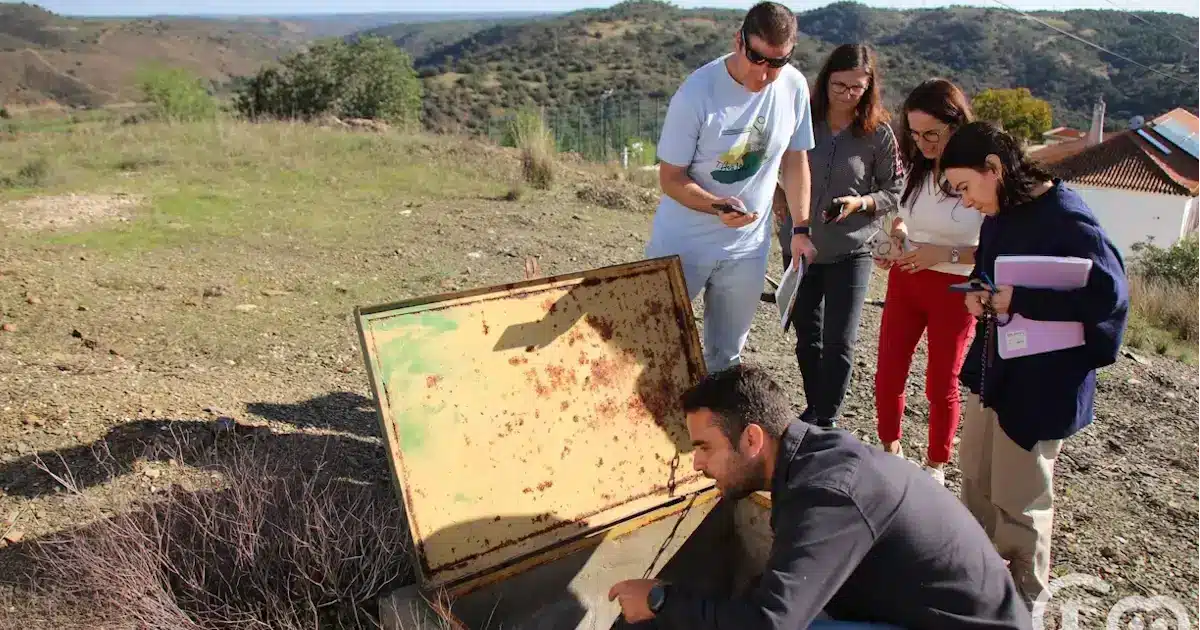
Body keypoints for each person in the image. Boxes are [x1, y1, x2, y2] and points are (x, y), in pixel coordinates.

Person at [607, 364, 1032, 630]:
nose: (697, 464)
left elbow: (771, 624)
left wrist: (661, 600)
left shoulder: (829, 494)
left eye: (705, 447)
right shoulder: (811, 461)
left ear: (752, 439)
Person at [939, 121, 1130, 608]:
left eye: (965, 187)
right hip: (994, 371)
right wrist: (978, 294)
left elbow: (1109, 296)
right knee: (976, 486)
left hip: (1041, 386)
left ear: (994, 168)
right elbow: (989, 270)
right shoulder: (998, 214)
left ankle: (1025, 607)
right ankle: (976, 594)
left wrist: (1021, 300)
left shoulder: (1066, 216)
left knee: (1020, 504)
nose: (966, 201)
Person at [646, 1, 816, 373]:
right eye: (758, 58)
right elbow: (670, 178)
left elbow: (795, 160)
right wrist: (716, 205)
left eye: (778, 62)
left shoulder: (794, 87)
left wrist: (801, 229)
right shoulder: (697, 93)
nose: (766, 73)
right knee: (653, 344)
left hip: (747, 249)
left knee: (725, 359)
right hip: (683, 242)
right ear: (738, 41)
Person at [776, 43, 903, 428]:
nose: (848, 94)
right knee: (807, 337)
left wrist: (862, 203)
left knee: (840, 341)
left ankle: (826, 418)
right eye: (840, 85)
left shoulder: (878, 134)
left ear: (869, 88)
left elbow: (894, 189)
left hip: (851, 251)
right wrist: (778, 195)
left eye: (857, 88)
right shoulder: (801, 119)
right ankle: (814, 409)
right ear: (825, 80)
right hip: (800, 247)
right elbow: (774, 164)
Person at [871, 78, 980, 486]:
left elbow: (992, 250)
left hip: (955, 290)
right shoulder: (917, 167)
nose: (922, 143)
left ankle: (936, 465)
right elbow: (903, 217)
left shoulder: (979, 174)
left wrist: (942, 255)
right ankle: (890, 450)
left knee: (941, 382)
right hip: (906, 281)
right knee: (888, 372)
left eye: (931, 134)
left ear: (956, 124)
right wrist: (896, 238)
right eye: (915, 135)